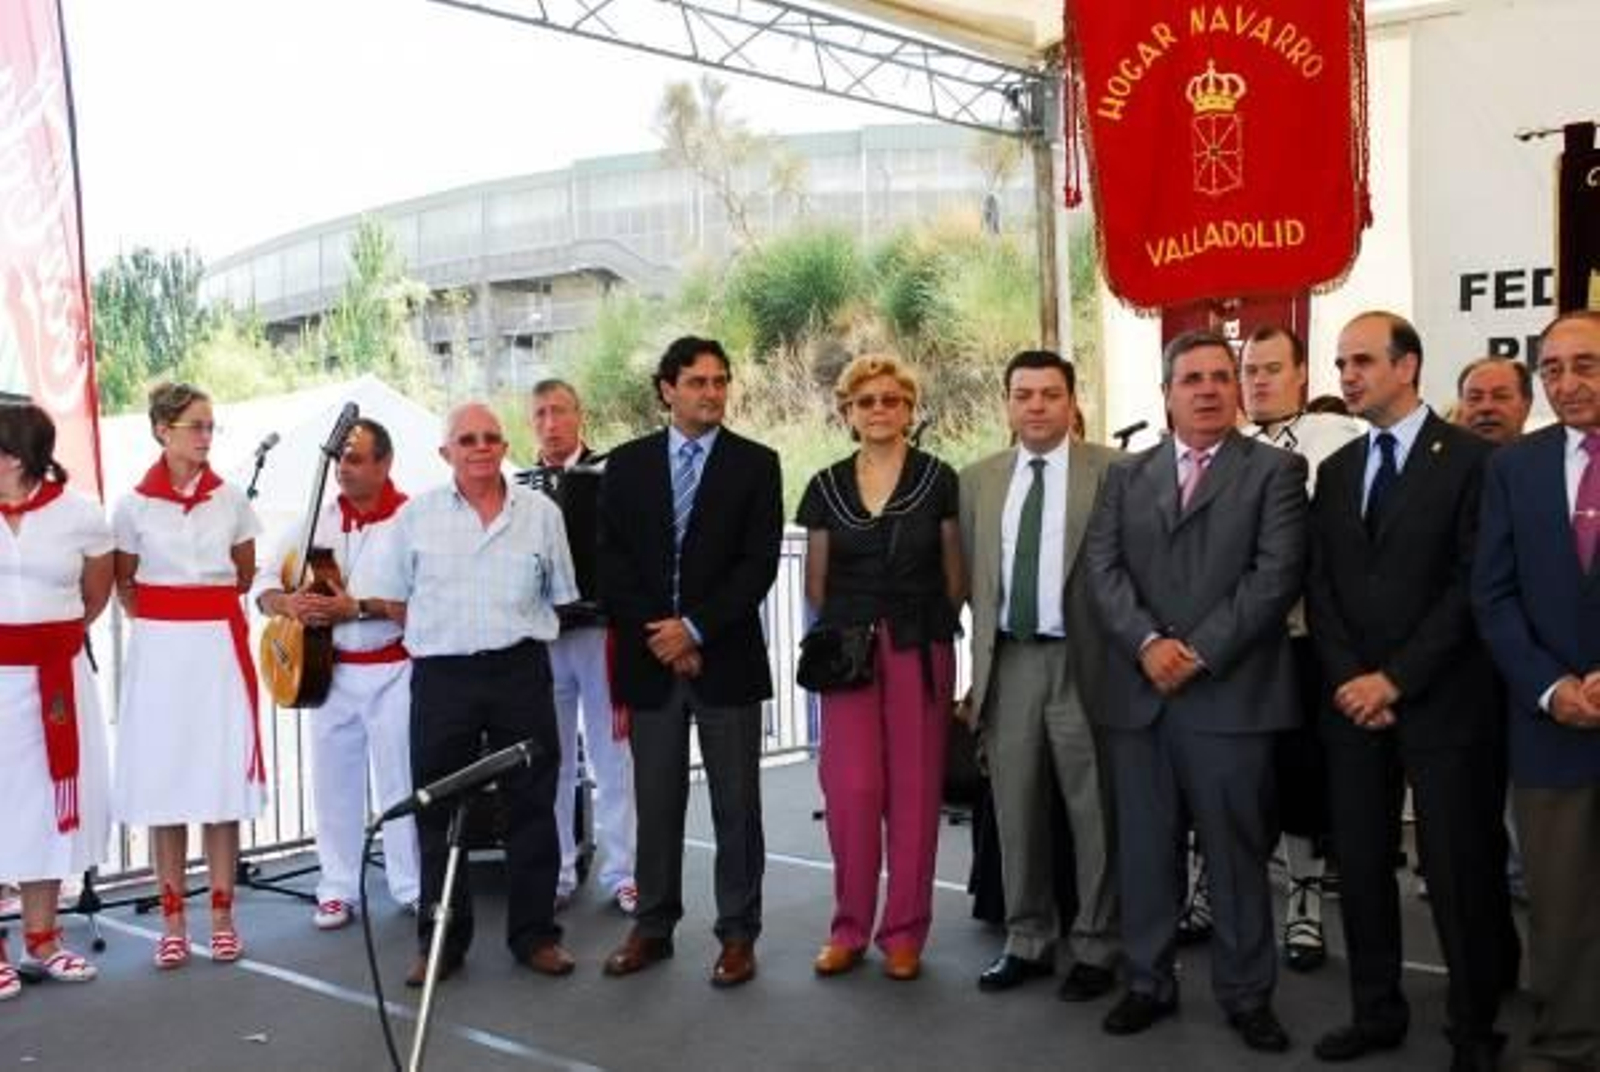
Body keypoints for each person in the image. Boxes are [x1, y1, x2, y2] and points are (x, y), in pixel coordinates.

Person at [1306, 312, 1517, 1072]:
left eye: (1362, 360)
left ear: (1408, 366)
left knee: (1459, 873)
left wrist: (1394, 678)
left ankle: (1473, 1029)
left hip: (1446, 702)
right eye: (1340, 363)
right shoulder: (1334, 472)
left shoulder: (1471, 462)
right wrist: (1350, 681)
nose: (1347, 376)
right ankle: (1375, 1012)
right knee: (1361, 867)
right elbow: (1323, 588)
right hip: (1354, 708)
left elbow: (1472, 586)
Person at [1085, 330, 1306, 1053]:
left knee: (1236, 856)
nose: (1208, 389)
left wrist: (1200, 652)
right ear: (1167, 393)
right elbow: (1104, 571)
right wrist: (1148, 644)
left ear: (1237, 389)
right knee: (1145, 850)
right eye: (1192, 379)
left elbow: (1274, 578)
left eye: (1221, 376)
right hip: (1140, 697)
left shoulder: (1277, 471)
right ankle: (1147, 981)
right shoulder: (1125, 476)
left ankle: (1247, 995)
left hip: (1230, 699)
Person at [598, 336, 782, 988]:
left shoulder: (757, 465)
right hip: (652, 662)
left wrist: (696, 629)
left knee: (738, 808)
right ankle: (652, 926)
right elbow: (610, 562)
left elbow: (757, 564)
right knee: (656, 803)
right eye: (698, 381)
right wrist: (663, 635)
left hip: (724, 659)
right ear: (666, 389)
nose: (712, 392)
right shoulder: (624, 465)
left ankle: (738, 935)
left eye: (720, 381)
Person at [389, 402, 579, 986]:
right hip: (443, 678)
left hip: (520, 671)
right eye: (467, 439)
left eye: (491, 437)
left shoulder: (541, 514)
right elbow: (395, 600)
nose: (480, 447)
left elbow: (562, 593)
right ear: (446, 452)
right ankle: (441, 943)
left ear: (504, 445)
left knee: (532, 804)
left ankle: (535, 936)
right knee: (437, 812)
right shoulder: (415, 517)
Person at [960, 350, 1120, 1002]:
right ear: (1007, 402)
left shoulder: (1114, 470)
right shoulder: (978, 480)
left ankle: (1096, 944)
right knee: (1015, 811)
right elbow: (973, 578)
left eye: (1050, 394)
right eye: (1022, 394)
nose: (1035, 406)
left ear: (1071, 401)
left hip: (1085, 664)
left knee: (1094, 814)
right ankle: (1027, 938)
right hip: (1011, 663)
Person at [798, 353, 962, 983]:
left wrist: (915, 622)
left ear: (909, 409)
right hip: (848, 653)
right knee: (852, 791)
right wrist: (857, 627)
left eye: (892, 399)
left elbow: (955, 577)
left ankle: (904, 932)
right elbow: (815, 584)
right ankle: (848, 928)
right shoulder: (824, 485)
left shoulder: (938, 478)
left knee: (917, 794)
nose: (880, 410)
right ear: (847, 412)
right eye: (866, 401)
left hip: (920, 647)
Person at [1473, 310, 1600, 1072]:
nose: (1566, 381)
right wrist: (1550, 686)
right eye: (1552, 368)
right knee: (1560, 904)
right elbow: (1492, 595)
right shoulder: (1513, 467)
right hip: (1550, 722)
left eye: (1584, 364)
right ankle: (1570, 1041)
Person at [112, 382, 263, 970]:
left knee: (220, 784)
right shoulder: (131, 505)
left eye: (210, 426)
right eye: (195, 426)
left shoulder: (231, 500)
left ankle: (222, 916)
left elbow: (243, 574)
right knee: (165, 786)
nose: (205, 437)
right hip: (161, 656)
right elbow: (125, 583)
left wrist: (198, 617)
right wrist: (166, 627)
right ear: (162, 431)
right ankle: (172, 922)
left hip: (217, 654)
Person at [252, 418, 419, 930]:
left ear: (384, 463)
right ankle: (337, 887)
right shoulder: (314, 521)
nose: (343, 470)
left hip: (394, 670)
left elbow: (427, 602)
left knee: (401, 782)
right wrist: (287, 603)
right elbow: (260, 582)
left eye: (355, 459)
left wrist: (360, 609)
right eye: (340, 459)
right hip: (328, 673)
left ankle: (411, 886)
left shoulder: (413, 519)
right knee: (333, 784)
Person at [1240, 325, 1365, 973]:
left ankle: (1306, 904)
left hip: (1301, 644)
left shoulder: (1337, 440)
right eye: (1250, 370)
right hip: (1233, 649)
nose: (1258, 380)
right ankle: (1211, 891)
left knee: (1300, 779)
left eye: (1270, 368)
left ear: (1300, 375)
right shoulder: (1222, 447)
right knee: (1227, 772)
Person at [0, 404, 113, 997]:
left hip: (55, 678)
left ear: (15, 458)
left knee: (48, 805)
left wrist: (54, 638)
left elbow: (97, 591)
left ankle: (42, 939)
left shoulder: (79, 515)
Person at [516, 379, 636, 916]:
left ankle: (623, 872)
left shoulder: (614, 473)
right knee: (551, 760)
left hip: (601, 632)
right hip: (544, 637)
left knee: (613, 758)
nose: (550, 423)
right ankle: (558, 870)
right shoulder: (517, 488)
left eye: (559, 411)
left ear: (578, 415)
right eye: (539, 414)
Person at [1454, 356, 1533, 446]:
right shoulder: (1441, 458)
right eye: (1474, 398)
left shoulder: (1547, 459)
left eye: (1500, 397)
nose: (1486, 407)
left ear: (1526, 405)